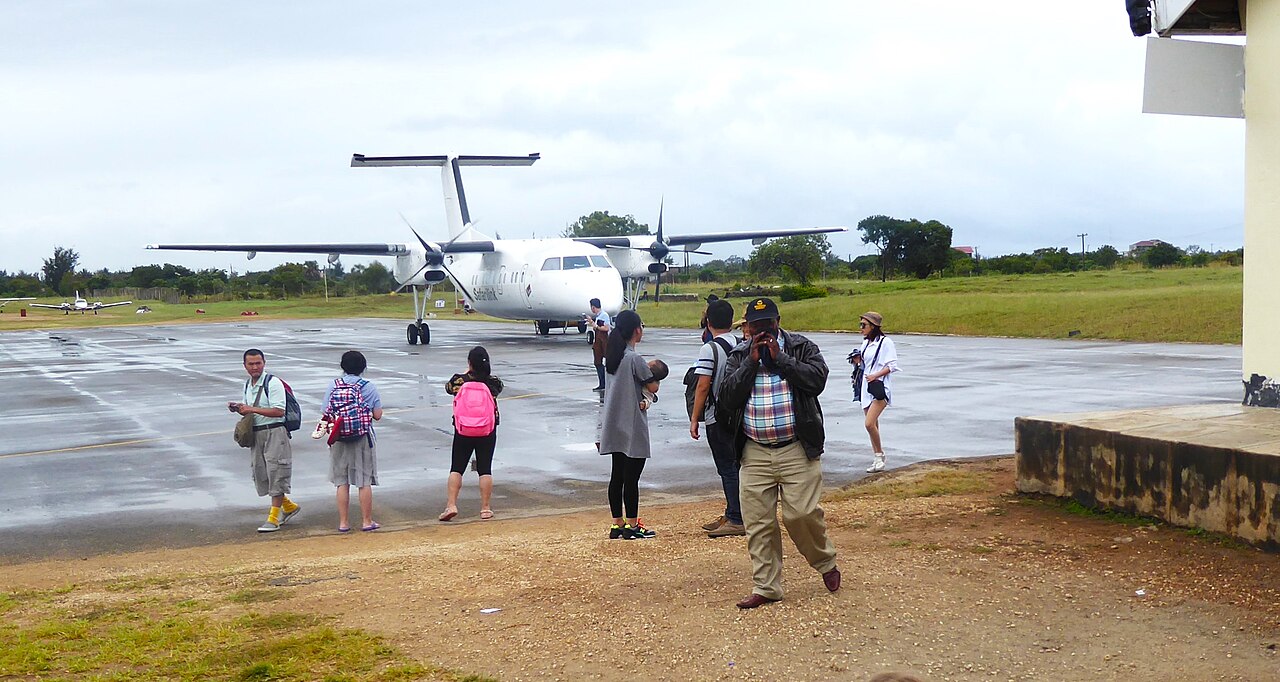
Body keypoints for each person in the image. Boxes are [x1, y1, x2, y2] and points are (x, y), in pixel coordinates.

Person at [716, 297, 840, 608]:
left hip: (797, 447)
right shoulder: (739, 355)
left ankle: (824, 561)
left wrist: (780, 359)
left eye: (766, 325)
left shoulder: (801, 347)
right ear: (746, 327)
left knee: (800, 514)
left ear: (778, 321)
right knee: (759, 523)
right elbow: (726, 400)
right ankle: (767, 587)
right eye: (755, 326)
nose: (761, 332)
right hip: (755, 451)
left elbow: (817, 381)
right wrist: (751, 363)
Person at [599, 309, 659, 540]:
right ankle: (632, 525)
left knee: (617, 476)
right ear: (637, 330)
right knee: (632, 477)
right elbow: (652, 386)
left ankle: (617, 523)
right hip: (632, 423)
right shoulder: (634, 359)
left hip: (613, 423)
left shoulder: (612, 358)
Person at [688, 298, 744, 538]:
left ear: (708, 322)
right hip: (743, 415)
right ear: (732, 321)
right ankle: (735, 510)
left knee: (726, 468)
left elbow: (703, 386)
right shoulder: (743, 343)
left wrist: (694, 418)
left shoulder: (709, 349)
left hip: (717, 416)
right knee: (740, 465)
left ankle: (736, 518)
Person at [229, 349, 300, 533]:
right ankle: (289, 507)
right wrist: (239, 408)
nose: (255, 367)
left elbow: (279, 411)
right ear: (244, 366)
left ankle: (273, 518)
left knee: (277, 471)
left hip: (274, 432)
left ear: (264, 363)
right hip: (257, 434)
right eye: (251, 364)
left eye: (258, 363)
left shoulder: (273, 383)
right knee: (262, 474)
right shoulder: (247, 385)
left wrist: (251, 408)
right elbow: (251, 410)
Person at [322, 350, 384, 532]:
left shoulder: (333, 385)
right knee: (364, 480)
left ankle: (343, 522)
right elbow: (378, 415)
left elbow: (326, 410)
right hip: (362, 436)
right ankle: (366, 521)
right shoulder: (369, 386)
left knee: (342, 481)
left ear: (342, 366)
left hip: (339, 436)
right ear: (363, 367)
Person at [441, 346, 504, 521]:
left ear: (470, 362)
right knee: (485, 469)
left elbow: (448, 388)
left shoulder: (459, 381)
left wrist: (466, 373)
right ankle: (485, 508)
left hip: (463, 429)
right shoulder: (493, 382)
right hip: (487, 429)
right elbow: (500, 388)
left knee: (457, 467)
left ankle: (451, 505)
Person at [853, 311, 900, 473]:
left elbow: (892, 365)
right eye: (860, 325)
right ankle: (877, 458)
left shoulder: (886, 343)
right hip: (866, 387)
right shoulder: (865, 343)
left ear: (873, 326)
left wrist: (876, 375)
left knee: (869, 423)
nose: (861, 329)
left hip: (879, 388)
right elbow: (866, 364)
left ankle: (880, 456)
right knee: (874, 425)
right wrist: (857, 362)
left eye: (863, 325)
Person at [590, 298, 612, 391]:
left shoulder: (604, 315)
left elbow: (606, 328)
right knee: (597, 362)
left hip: (603, 341)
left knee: (603, 362)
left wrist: (596, 326)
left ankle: (605, 383)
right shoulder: (599, 316)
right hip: (598, 341)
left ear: (593, 307)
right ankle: (602, 383)